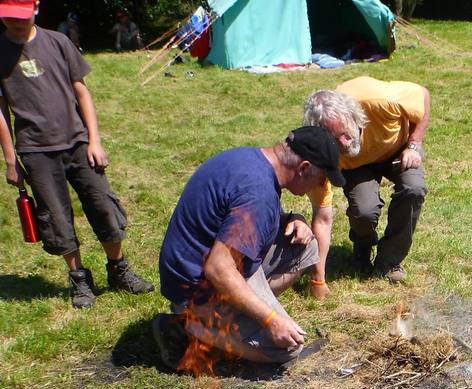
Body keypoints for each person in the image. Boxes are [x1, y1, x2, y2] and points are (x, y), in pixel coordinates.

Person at [0, 0, 151, 308]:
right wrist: (10, 158)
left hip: (78, 142)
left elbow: (82, 91)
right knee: (55, 217)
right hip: (35, 149)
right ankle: (79, 279)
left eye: (22, 16)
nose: (16, 23)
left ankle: (118, 269)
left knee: (102, 204)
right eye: (9, 18)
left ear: (36, 8)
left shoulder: (58, 42)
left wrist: (94, 140)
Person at [152, 126, 344, 369]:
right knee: (287, 349)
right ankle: (188, 329)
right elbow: (219, 268)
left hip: (201, 267)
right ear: (304, 168)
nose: (322, 185)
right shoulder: (258, 193)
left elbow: (243, 220)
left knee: (306, 247)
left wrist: (295, 219)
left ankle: (234, 314)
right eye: (323, 178)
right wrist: (271, 320)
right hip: (196, 289)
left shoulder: (250, 159)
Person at [303, 77, 430, 289]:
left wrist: (414, 144)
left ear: (354, 116)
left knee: (413, 189)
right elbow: (322, 215)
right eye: (334, 140)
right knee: (364, 210)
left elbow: (423, 94)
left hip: (397, 151)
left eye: (345, 133)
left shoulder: (381, 101)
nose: (343, 143)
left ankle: (389, 260)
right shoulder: (322, 153)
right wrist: (318, 278)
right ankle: (363, 245)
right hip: (358, 165)